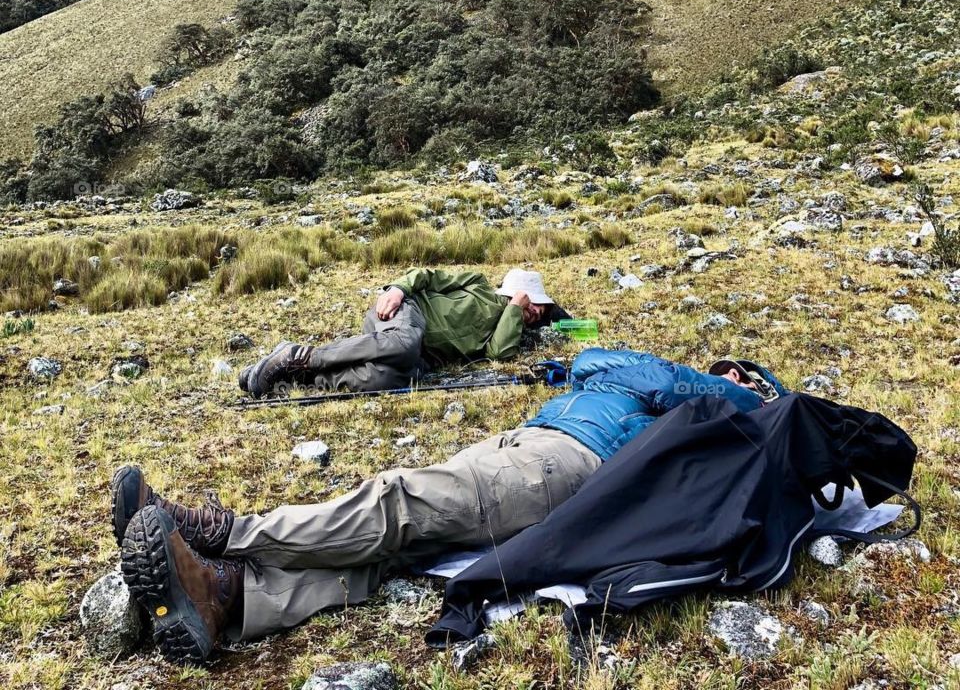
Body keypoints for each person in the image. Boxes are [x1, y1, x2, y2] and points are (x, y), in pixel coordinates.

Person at [113, 348, 786, 663]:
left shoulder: (720, 406)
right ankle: (229, 600)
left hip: (565, 462)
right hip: (531, 451)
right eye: (725, 366)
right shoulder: (673, 388)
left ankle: (220, 534)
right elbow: (587, 360)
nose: (729, 373)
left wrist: (738, 388)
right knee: (399, 553)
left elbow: (636, 372)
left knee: (399, 500)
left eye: (742, 373)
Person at [239, 266, 561, 399]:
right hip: (406, 315)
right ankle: (302, 356)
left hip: (419, 356)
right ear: (519, 290)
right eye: (535, 305)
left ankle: (293, 377)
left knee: (388, 380)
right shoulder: (477, 284)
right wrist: (397, 288)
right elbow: (428, 276)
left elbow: (498, 354)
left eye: (540, 314)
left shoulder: (509, 326)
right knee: (405, 344)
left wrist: (516, 310)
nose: (535, 314)